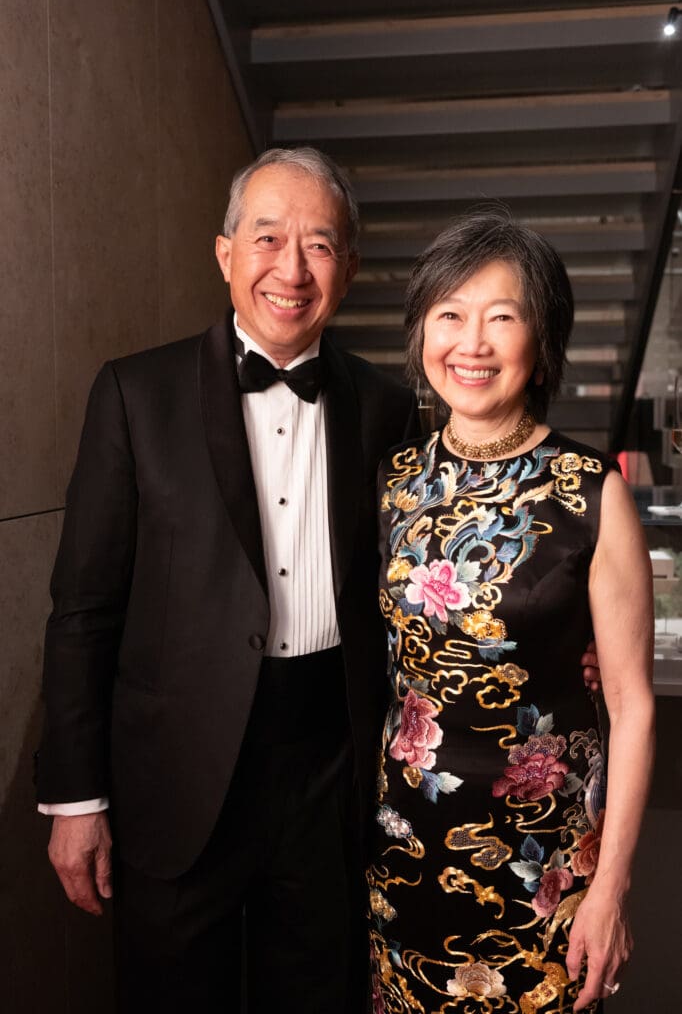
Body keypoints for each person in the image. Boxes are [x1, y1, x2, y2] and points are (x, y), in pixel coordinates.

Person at [36, 147, 420, 1014]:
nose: (292, 268)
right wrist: (72, 797)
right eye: (268, 237)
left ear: (349, 269)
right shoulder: (136, 393)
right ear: (225, 254)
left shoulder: (388, 409)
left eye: (319, 245)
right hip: (175, 779)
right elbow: (83, 611)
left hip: (329, 776)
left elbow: (423, 580)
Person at [368, 212, 655, 1013]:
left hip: (547, 866)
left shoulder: (592, 491)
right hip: (406, 852)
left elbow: (632, 706)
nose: (473, 342)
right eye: (450, 314)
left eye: (503, 316)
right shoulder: (391, 485)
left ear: (542, 339)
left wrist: (611, 889)